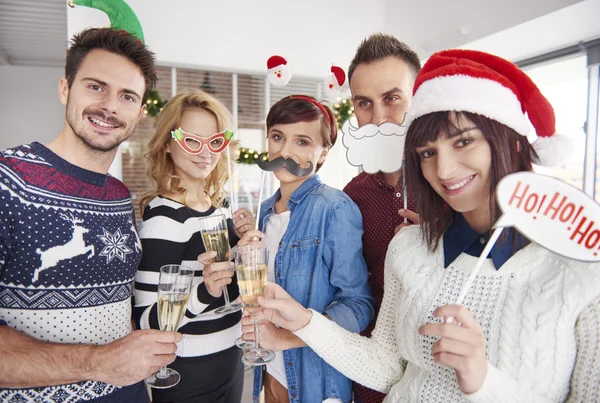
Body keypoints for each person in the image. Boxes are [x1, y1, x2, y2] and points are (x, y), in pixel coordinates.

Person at [254, 50, 600, 402]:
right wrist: (305, 321)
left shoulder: (582, 274)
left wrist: (483, 383)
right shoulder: (408, 245)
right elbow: (387, 366)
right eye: (427, 153)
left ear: (511, 141)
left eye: (464, 141)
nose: (445, 171)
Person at [0, 28, 182, 402]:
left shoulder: (119, 197)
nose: (111, 107)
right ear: (65, 89)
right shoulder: (7, 180)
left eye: (127, 96)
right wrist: (100, 363)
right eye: (96, 87)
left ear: (140, 110)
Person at [236, 95, 375, 403]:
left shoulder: (335, 208)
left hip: (315, 383)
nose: (285, 152)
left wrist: (285, 338)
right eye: (277, 137)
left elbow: (358, 306)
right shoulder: (263, 212)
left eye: (302, 142)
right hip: (268, 374)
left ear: (323, 152)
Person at [133, 89, 255, 403]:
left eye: (215, 141)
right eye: (191, 140)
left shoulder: (220, 206)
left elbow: (233, 291)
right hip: (188, 372)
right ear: (168, 143)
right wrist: (205, 291)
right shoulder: (164, 218)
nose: (205, 152)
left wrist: (246, 244)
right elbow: (147, 319)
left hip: (232, 355)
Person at [342, 33, 422, 403]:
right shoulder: (351, 196)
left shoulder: (452, 190)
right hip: (371, 376)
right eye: (364, 103)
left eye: (392, 98)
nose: (378, 118)